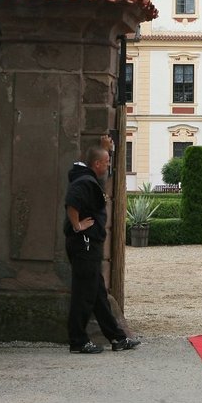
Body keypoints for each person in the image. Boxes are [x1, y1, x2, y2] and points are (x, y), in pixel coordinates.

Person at [64, 145, 140, 354]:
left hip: (88, 244)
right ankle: (78, 341)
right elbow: (71, 203)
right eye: (106, 162)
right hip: (85, 244)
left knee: (97, 294)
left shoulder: (89, 178)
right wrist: (77, 225)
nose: (108, 165)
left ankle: (117, 337)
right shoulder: (85, 181)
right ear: (97, 164)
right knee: (84, 294)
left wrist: (108, 149)